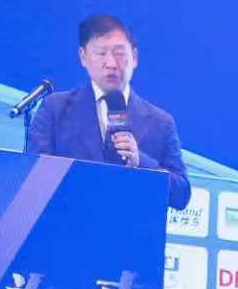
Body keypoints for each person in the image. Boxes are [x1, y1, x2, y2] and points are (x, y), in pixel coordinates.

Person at [25, 14, 190, 210]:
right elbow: (33, 179)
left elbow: (181, 195)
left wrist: (142, 162)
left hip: (131, 227)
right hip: (69, 222)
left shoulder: (161, 122)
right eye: (101, 53)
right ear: (83, 57)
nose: (111, 63)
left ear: (134, 58)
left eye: (119, 53)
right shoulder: (55, 109)